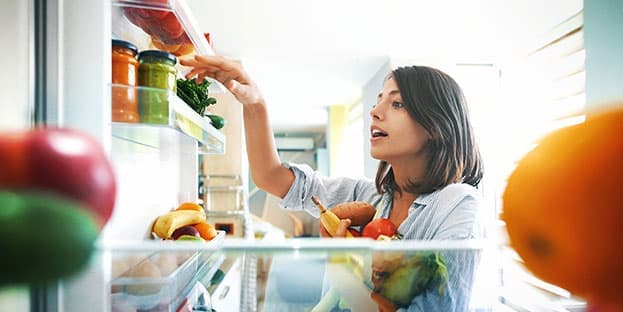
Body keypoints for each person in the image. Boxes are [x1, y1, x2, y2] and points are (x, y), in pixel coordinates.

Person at [181, 55, 484, 312]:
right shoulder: (369, 196)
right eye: (379, 100)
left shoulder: (458, 204)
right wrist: (254, 102)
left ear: (436, 125)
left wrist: (342, 265)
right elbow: (270, 177)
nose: (375, 111)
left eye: (397, 104)